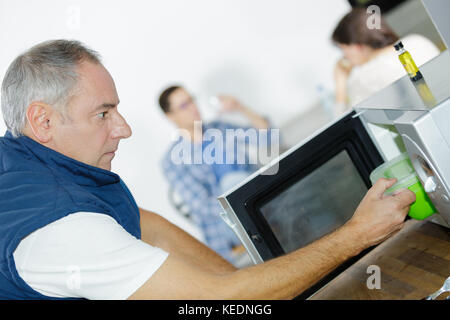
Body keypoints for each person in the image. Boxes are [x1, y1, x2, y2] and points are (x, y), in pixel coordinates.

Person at [0, 39, 415, 300]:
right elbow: (215, 301)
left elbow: (144, 222)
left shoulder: (35, 163)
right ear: (43, 122)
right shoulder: (61, 227)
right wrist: (359, 234)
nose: (122, 129)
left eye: (118, 109)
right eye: (103, 114)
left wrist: (250, 280)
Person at [158, 85, 273, 264]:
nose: (193, 107)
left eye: (191, 100)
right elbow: (202, 207)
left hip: (259, 201)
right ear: (170, 116)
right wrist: (243, 202)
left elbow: (268, 137)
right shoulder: (172, 161)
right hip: (227, 224)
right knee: (234, 181)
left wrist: (241, 108)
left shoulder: (219, 128)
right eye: (183, 106)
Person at [332, 8, 440, 115]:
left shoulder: (363, 76)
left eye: (343, 49)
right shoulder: (418, 41)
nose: (344, 56)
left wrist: (340, 81)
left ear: (357, 47)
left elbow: (347, 124)